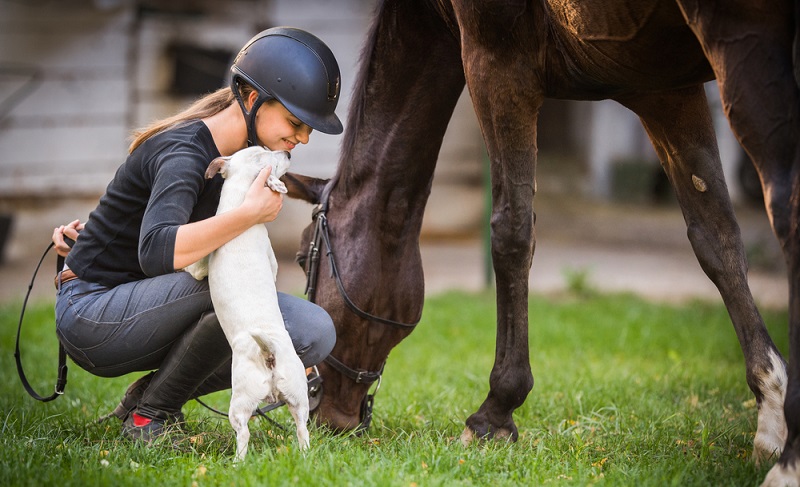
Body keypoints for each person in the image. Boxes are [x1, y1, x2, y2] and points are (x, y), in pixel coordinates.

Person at [51, 27, 342, 442]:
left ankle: (151, 394)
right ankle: (150, 417)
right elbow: (156, 251)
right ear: (252, 98)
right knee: (231, 283)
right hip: (93, 316)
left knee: (312, 332)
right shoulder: (184, 151)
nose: (304, 137)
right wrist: (247, 215)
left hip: (143, 303)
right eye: (296, 122)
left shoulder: (240, 159)